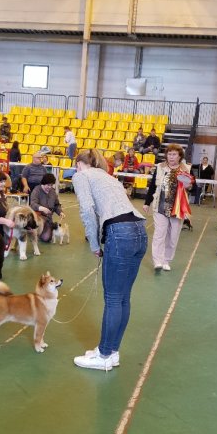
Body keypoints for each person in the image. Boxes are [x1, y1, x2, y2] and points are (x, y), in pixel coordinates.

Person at [72, 149, 147, 371]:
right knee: (123, 297)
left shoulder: (81, 176)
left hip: (119, 233)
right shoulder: (109, 177)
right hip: (140, 231)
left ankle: (104, 355)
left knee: (113, 298)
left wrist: (94, 244)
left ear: (79, 164)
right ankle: (111, 351)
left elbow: (87, 210)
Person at [143, 144, 194, 273]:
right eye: (169, 154)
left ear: (179, 156)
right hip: (160, 206)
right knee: (159, 235)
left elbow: (193, 188)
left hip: (177, 209)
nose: (171, 157)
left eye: (174, 154)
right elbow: (153, 187)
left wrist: (188, 186)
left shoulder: (186, 169)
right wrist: (147, 202)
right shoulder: (160, 167)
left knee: (173, 236)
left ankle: (166, 260)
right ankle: (158, 261)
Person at [29, 174, 64, 242]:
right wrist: (42, 208)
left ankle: (48, 227)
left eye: (51, 185)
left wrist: (60, 212)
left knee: (47, 238)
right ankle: (35, 230)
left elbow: (56, 205)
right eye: (48, 185)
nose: (49, 187)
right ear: (43, 183)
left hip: (48, 219)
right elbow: (33, 204)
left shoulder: (53, 192)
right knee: (45, 235)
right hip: (38, 217)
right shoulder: (36, 190)